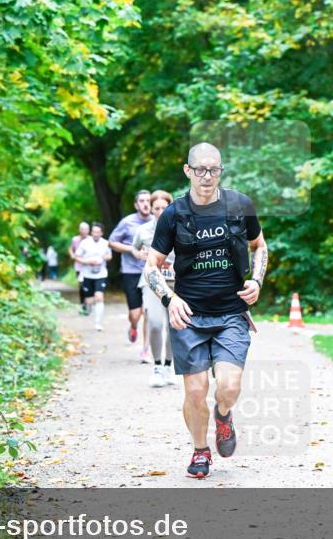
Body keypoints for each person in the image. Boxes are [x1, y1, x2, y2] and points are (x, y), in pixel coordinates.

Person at [144, 143, 268, 478]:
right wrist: (170, 299)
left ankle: (224, 415)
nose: (207, 176)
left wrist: (256, 280)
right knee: (196, 390)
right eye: (200, 169)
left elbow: (260, 245)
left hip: (231, 314)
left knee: (227, 387)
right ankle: (200, 451)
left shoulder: (239, 205)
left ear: (221, 171)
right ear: (188, 171)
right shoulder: (174, 214)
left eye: (214, 169)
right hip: (189, 317)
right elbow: (152, 266)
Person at [133, 190, 177, 387]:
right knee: (156, 324)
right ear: (151, 209)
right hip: (151, 283)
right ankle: (157, 367)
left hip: (175, 284)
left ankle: (168, 367)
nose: (160, 211)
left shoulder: (180, 229)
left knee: (173, 326)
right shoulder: (143, 231)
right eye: (156, 208)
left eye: (164, 207)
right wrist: (140, 255)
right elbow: (134, 248)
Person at [109, 191, 153, 361]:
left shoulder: (157, 222)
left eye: (148, 201)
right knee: (136, 314)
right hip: (131, 271)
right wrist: (131, 249)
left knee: (149, 312)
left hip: (150, 271)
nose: (145, 204)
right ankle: (133, 325)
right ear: (136, 205)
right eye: (142, 201)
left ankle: (145, 350)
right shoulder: (127, 222)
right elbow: (112, 242)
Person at [74, 222, 112, 331]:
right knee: (89, 301)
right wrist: (87, 261)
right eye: (94, 232)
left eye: (98, 232)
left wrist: (104, 258)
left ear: (102, 233)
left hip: (101, 274)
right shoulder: (85, 243)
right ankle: (88, 306)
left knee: (99, 297)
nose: (95, 234)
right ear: (91, 232)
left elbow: (109, 256)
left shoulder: (105, 243)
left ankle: (98, 323)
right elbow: (77, 257)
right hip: (87, 274)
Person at [70, 222, 90, 315]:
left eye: (86, 229)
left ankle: (88, 303)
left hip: (89, 266)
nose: (84, 231)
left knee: (89, 286)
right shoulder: (75, 239)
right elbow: (71, 249)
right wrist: (73, 255)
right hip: (79, 266)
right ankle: (83, 304)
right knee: (82, 286)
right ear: (79, 230)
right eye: (82, 229)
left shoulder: (91, 240)